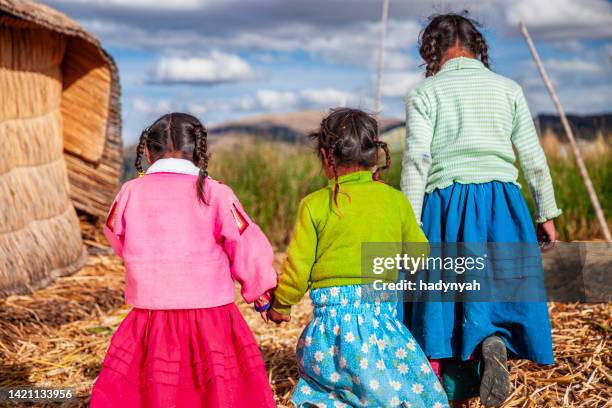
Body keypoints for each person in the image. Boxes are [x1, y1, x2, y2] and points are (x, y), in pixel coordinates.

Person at [401, 13, 559, 408]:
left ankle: (457, 387)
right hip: (503, 204)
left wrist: (408, 221)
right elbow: (534, 158)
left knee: (447, 297)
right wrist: (546, 213)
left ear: (431, 51)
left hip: (447, 205)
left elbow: (417, 159)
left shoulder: (426, 93)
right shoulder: (508, 89)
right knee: (500, 285)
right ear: (477, 47)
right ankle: (494, 338)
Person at [91, 113, 277, 408]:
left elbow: (115, 234)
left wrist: (144, 259)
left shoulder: (129, 192)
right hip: (211, 317)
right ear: (200, 155)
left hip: (151, 315)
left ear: (148, 153)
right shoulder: (216, 192)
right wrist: (262, 293)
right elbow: (245, 243)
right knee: (218, 390)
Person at [268, 108, 449, 408]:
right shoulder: (395, 201)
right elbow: (420, 256)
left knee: (328, 393)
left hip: (329, 339)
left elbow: (297, 270)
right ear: (375, 156)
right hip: (384, 328)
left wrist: (281, 305)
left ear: (327, 158)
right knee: (411, 391)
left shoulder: (313, 205)